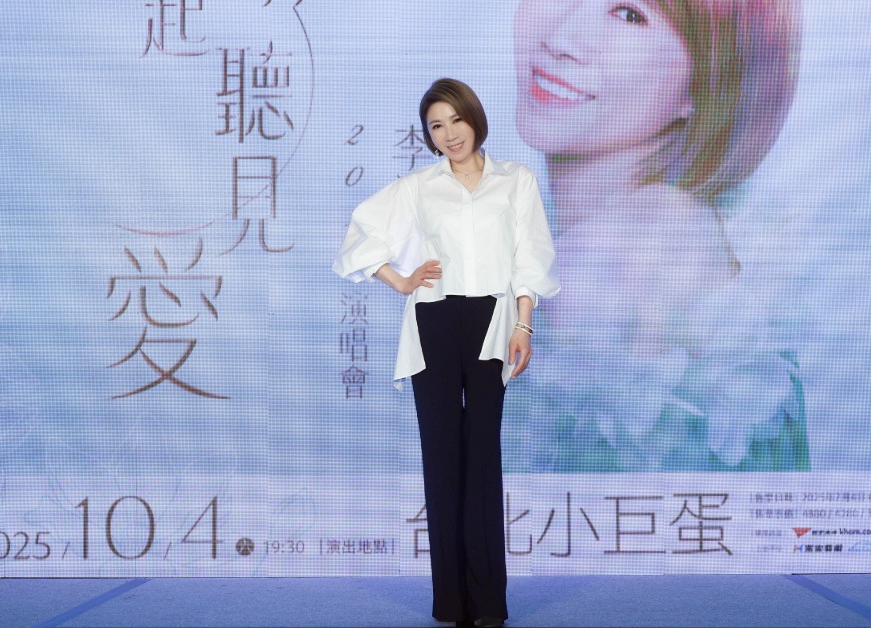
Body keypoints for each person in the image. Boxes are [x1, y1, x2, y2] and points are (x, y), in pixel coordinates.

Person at [513, 0, 807, 471]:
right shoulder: (677, 226)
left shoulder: (638, 244)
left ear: (709, 79)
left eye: (630, 14)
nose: (561, 38)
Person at [334, 78, 559, 626]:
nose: (449, 133)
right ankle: (452, 603)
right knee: (440, 458)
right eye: (436, 125)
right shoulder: (419, 187)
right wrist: (399, 279)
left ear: (475, 119)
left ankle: (489, 603)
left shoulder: (516, 180)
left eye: (456, 120)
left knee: (482, 456)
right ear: (428, 135)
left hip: (493, 322)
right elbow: (360, 233)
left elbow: (530, 257)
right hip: (433, 320)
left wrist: (524, 325)